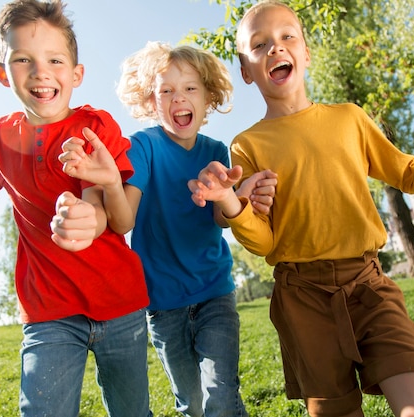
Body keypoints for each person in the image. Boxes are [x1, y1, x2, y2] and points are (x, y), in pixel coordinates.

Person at [187, 1, 414, 417]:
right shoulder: (247, 146)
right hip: (301, 299)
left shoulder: (350, 119)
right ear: (246, 70)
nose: (275, 48)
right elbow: (265, 239)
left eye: (287, 37)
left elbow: (410, 174)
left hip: (368, 285)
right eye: (260, 44)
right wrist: (232, 203)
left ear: (306, 53)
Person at [0, 1, 152, 416]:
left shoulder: (94, 127)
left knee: (132, 411)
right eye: (23, 59)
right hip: (48, 310)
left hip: (120, 302)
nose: (41, 71)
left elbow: (116, 216)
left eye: (55, 60)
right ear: (1, 71)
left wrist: (91, 216)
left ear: (77, 73)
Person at [58, 41, 277, 417]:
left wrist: (230, 196)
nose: (179, 98)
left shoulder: (216, 150)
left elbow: (221, 219)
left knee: (221, 396)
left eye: (190, 88)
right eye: (166, 90)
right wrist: (111, 183)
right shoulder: (142, 146)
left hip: (214, 293)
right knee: (192, 404)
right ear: (149, 100)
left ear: (208, 96)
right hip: (163, 304)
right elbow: (123, 221)